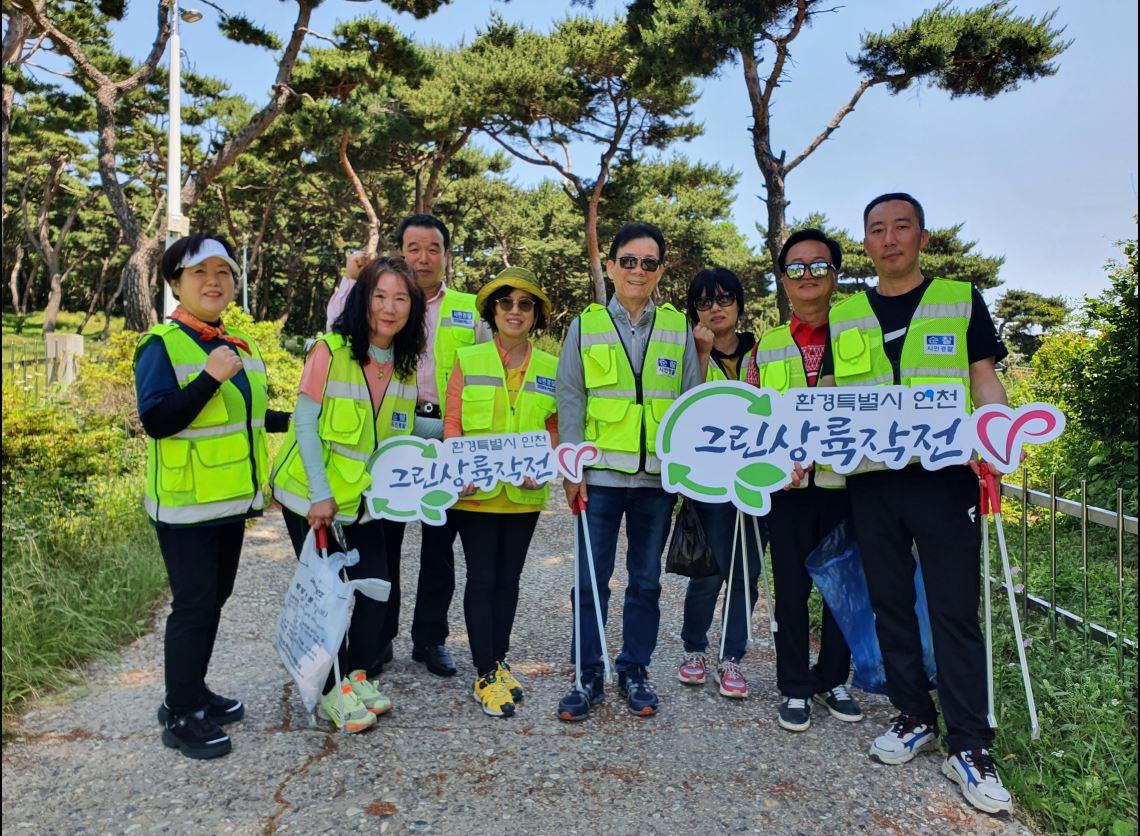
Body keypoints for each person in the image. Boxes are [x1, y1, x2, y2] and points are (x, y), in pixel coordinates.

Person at [819, 193, 1013, 815]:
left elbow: (982, 375)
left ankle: (972, 744)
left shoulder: (959, 298)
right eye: (877, 229)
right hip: (873, 481)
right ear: (866, 243)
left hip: (945, 477)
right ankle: (913, 716)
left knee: (955, 609)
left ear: (923, 237)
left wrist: (998, 440)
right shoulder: (845, 313)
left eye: (902, 226)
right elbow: (829, 394)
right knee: (890, 603)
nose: (890, 238)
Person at [135, 233, 291, 759]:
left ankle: (194, 691)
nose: (214, 282)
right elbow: (158, 420)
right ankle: (180, 715)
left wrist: (299, 424)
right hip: (185, 508)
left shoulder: (230, 343)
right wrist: (207, 378)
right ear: (176, 282)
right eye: (200, 273)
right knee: (193, 607)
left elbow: (246, 417)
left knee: (212, 602)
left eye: (223, 272)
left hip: (228, 505)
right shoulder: (164, 343)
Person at [555, 221, 708, 721]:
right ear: (611, 265)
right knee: (590, 580)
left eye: (648, 263)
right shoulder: (586, 324)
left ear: (660, 270)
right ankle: (586, 674)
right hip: (598, 477)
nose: (637, 271)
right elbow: (572, 398)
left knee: (645, 581)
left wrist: (686, 472)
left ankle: (633, 670)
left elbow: (690, 403)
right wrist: (571, 467)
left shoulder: (676, 328)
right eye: (628, 261)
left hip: (656, 483)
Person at [271, 256, 427, 732]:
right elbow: (303, 422)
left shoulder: (402, 366)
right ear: (363, 299)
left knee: (378, 593)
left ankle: (354, 675)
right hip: (315, 501)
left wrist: (461, 442)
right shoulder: (330, 349)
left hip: (364, 502)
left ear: (412, 309)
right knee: (331, 598)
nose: (389, 307)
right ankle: (328, 688)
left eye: (401, 298)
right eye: (380, 295)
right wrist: (320, 495)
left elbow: (408, 430)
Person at [443, 267, 560, 718]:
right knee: (483, 579)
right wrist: (459, 468)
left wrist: (542, 463)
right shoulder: (469, 360)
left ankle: (498, 662)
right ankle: (485, 672)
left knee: (509, 582)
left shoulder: (550, 367)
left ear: (535, 315)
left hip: (524, 495)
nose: (514, 311)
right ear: (493, 309)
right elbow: (453, 421)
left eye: (524, 304)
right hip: (475, 493)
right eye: (505, 302)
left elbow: (554, 426)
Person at [759, 229, 860, 733]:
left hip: (848, 486)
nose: (807, 276)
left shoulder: (861, 334)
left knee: (843, 586)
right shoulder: (769, 345)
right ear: (783, 279)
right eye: (795, 268)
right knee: (793, 590)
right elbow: (754, 419)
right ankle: (794, 685)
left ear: (835, 276)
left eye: (818, 266)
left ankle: (834, 678)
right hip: (789, 490)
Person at [675, 267, 765, 700]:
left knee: (746, 572)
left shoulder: (762, 352)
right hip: (709, 482)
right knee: (708, 570)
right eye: (705, 302)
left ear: (739, 303)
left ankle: (732, 657)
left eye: (724, 298)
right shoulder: (685, 352)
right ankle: (694, 649)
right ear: (695, 310)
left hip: (754, 479)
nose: (716, 308)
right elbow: (682, 409)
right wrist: (701, 354)